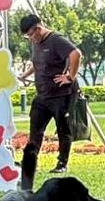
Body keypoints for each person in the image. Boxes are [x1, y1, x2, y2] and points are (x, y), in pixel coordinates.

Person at [17, 14, 82, 190]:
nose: (30, 39)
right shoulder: (36, 43)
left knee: (63, 128)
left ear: (38, 29)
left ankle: (62, 163)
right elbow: (37, 63)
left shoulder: (56, 40)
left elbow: (76, 54)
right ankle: (30, 161)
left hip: (61, 95)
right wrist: (25, 75)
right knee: (35, 130)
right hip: (42, 95)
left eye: (31, 35)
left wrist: (70, 76)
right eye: (27, 36)